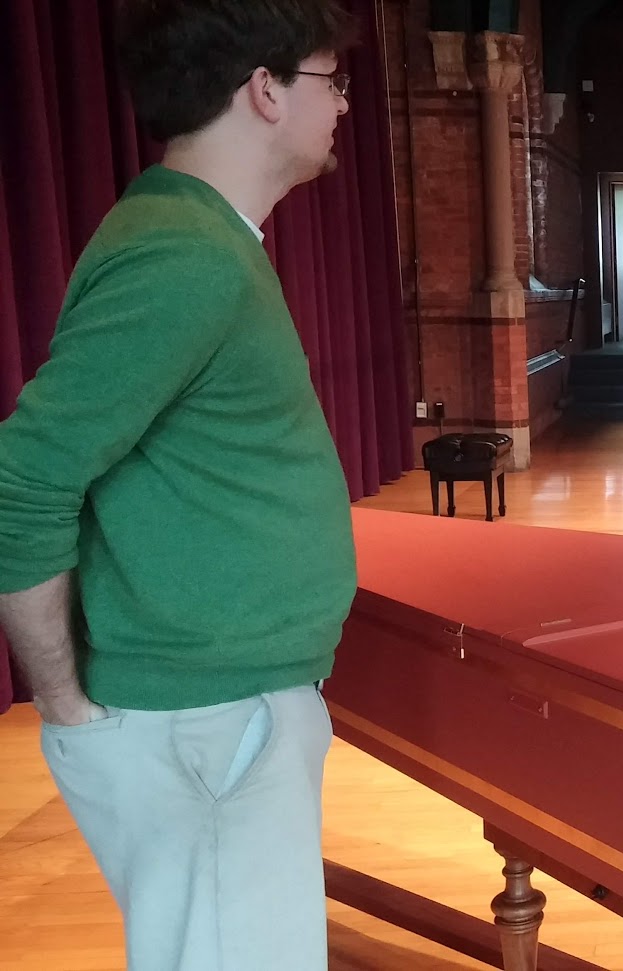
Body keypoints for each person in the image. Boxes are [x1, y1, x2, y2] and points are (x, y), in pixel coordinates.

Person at [0, 2, 358, 967]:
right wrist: (65, 702)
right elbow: (21, 479)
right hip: (203, 723)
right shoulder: (183, 255)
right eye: (333, 80)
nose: (346, 106)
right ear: (266, 89)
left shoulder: (198, 236)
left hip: (216, 711)